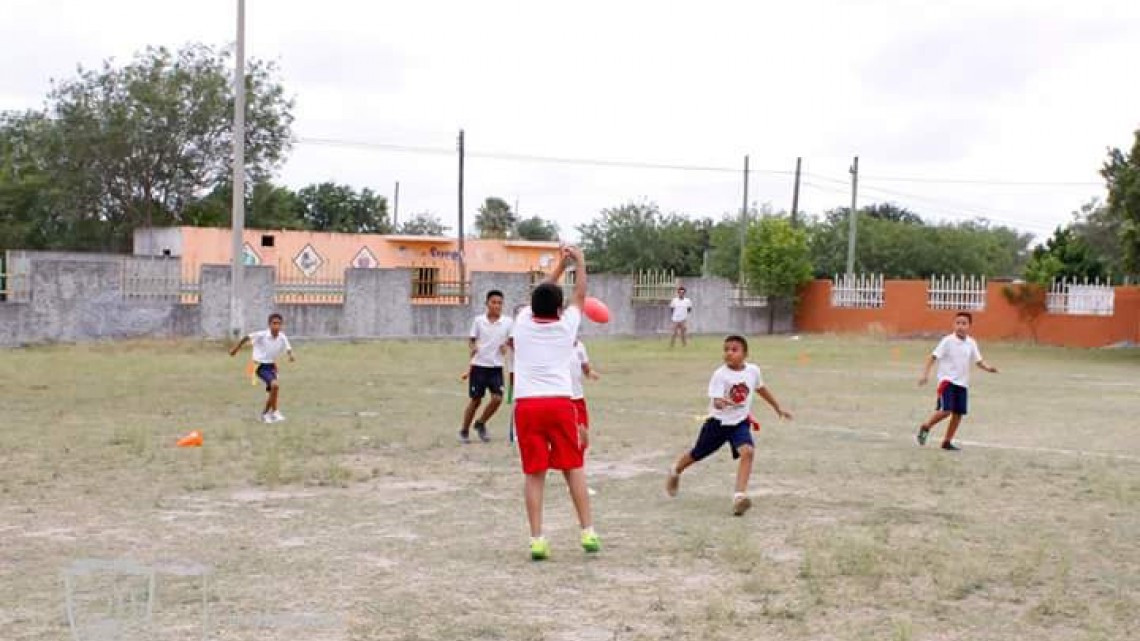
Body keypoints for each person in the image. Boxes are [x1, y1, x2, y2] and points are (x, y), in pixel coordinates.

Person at [510, 245, 599, 560]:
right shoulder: (567, 325)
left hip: (528, 406)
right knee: (573, 466)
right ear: (559, 307)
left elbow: (544, 291)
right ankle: (587, 531)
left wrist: (559, 265)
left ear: (531, 305)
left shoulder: (520, 321)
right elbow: (580, 296)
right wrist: (580, 262)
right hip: (561, 404)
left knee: (534, 473)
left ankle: (537, 539)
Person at [665, 335, 792, 516]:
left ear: (745, 354)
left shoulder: (753, 371)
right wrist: (720, 403)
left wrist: (777, 407)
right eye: (726, 350)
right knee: (697, 454)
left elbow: (761, 388)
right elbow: (716, 400)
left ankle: (739, 497)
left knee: (748, 452)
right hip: (717, 424)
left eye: (734, 349)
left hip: (739, 423)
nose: (729, 353)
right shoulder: (720, 375)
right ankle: (675, 470)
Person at [917, 312, 999, 451]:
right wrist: (925, 375)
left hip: (962, 383)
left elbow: (978, 361)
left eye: (964, 323)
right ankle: (926, 426)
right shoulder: (947, 341)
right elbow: (933, 357)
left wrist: (989, 368)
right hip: (947, 381)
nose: (960, 326)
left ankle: (947, 442)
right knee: (946, 410)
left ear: (969, 326)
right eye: (958, 323)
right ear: (953, 324)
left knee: (958, 413)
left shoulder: (971, 342)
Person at [459, 290, 513, 444]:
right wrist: (473, 346)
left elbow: (511, 339)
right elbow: (472, 339)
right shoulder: (479, 321)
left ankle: (480, 423)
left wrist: (506, 345)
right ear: (487, 303)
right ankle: (464, 430)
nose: (496, 305)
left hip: (496, 367)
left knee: (497, 398)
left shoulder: (508, 322)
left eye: (499, 303)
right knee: (476, 400)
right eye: (493, 302)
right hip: (479, 366)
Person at [230, 313, 295, 423]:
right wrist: (235, 349)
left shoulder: (282, 336)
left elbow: (288, 347)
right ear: (269, 325)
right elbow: (247, 337)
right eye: (274, 323)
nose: (276, 326)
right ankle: (271, 413)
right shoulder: (262, 335)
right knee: (275, 385)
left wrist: (291, 355)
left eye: (279, 324)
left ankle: (270, 413)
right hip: (259, 365)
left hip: (271, 365)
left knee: (273, 390)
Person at [569, 338, 601, 453]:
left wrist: (590, 373)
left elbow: (586, 368)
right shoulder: (555, 346)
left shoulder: (579, 346)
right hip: (560, 398)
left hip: (577, 397)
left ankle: (578, 459)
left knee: (584, 436)